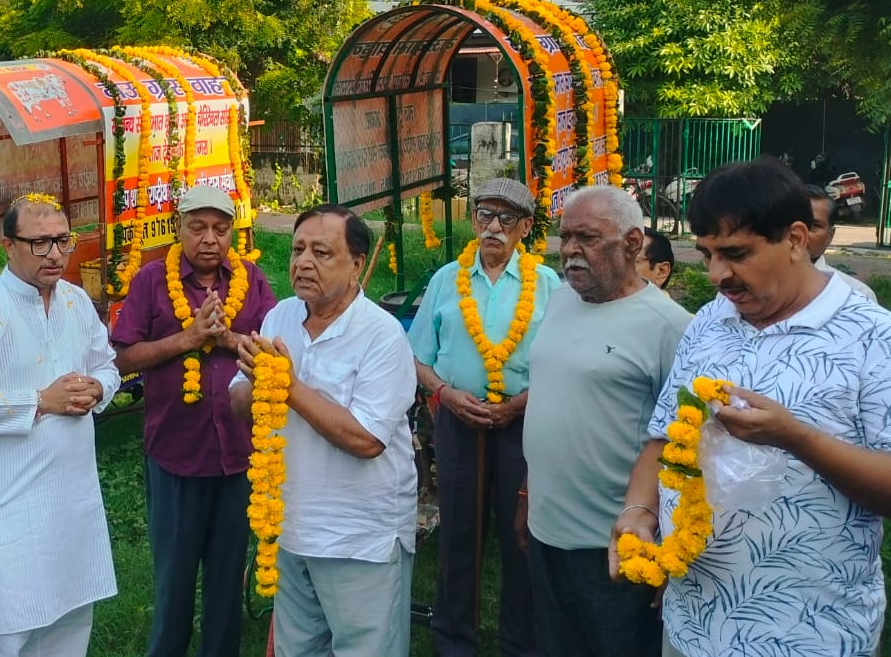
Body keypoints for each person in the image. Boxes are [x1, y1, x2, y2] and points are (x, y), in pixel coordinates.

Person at [613, 158, 891, 657]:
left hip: (806, 635)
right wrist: (639, 511)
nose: (717, 275)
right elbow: (665, 435)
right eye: (707, 254)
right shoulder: (710, 321)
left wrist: (798, 438)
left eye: (736, 253)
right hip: (691, 626)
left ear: (796, 239)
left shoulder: (873, 337)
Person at [230, 204, 417, 657]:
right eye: (298, 250)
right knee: (298, 650)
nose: (304, 262)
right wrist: (257, 381)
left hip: (359, 538)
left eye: (321, 252)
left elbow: (366, 439)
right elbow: (238, 405)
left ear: (356, 265)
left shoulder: (382, 335)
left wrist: (288, 385)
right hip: (292, 529)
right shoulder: (280, 317)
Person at [0, 194, 120, 656]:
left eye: (62, 240)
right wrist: (41, 401)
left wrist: (98, 388)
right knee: (8, 632)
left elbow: (107, 365)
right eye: (39, 243)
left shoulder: (76, 301)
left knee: (72, 621)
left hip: (73, 502)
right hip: (10, 507)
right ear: (8, 246)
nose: (55, 254)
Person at [520, 186, 693, 657]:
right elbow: (554, 401)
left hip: (617, 543)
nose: (570, 250)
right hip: (546, 529)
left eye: (588, 238)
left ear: (633, 243)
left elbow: (687, 446)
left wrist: (672, 547)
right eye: (565, 237)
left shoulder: (670, 326)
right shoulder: (560, 300)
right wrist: (526, 495)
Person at [110, 185, 277, 657]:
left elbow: (272, 348)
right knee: (175, 584)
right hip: (176, 454)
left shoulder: (251, 279)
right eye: (198, 227)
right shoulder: (151, 280)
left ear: (232, 233)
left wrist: (226, 340)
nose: (209, 239)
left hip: (238, 456)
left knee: (226, 581)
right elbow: (123, 358)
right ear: (179, 227)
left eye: (221, 229)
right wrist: (188, 338)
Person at [406, 177, 559, 657]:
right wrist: (445, 394)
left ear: (526, 227)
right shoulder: (445, 279)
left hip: (524, 422)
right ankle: (454, 642)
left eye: (506, 218)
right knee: (458, 533)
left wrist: (520, 403)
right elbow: (418, 357)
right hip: (458, 419)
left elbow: (563, 362)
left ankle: (521, 644)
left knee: (522, 533)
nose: (493, 226)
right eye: (484, 215)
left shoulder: (548, 284)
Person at [805, 183, 877, 302]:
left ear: (830, 235)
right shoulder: (769, 287)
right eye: (793, 223)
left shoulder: (858, 296)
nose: (800, 234)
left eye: (814, 226)